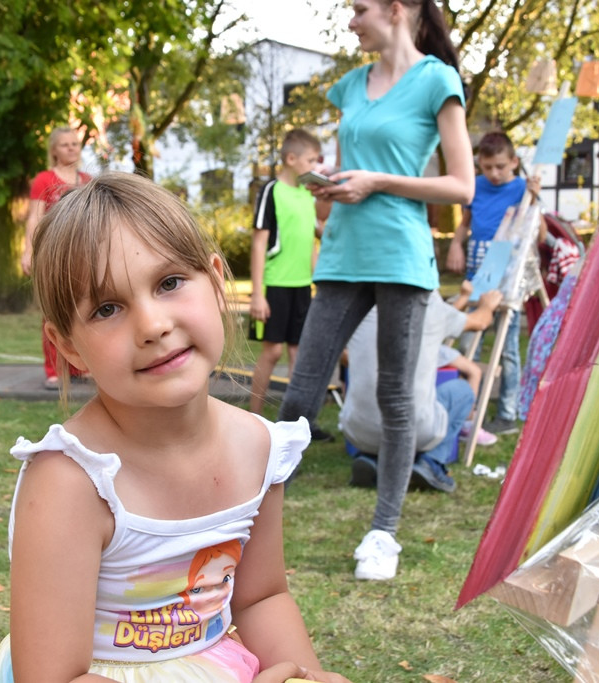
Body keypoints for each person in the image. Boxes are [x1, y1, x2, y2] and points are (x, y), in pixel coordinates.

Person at [7, 172, 349, 682]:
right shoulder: (72, 482)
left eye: (169, 283)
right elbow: (53, 678)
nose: (152, 326)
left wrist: (304, 674)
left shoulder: (259, 449)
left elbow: (262, 597)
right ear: (70, 347)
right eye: (107, 308)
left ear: (214, 281)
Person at [278, 0, 474, 582]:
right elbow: (349, 169)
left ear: (395, 9)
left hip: (402, 259)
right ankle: (249, 519)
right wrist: (335, 186)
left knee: (396, 398)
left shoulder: (437, 81)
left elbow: (460, 184)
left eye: (359, 8)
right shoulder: (350, 86)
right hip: (343, 254)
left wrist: (378, 182)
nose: (351, 19)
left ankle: (383, 533)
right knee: (300, 396)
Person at [340, 283, 503, 495]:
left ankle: (372, 458)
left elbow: (343, 356)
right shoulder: (428, 307)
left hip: (357, 430)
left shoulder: (355, 309)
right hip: (411, 431)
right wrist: (487, 305)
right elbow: (481, 321)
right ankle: (431, 462)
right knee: (461, 391)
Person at [445, 131, 541, 436]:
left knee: (507, 347)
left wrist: (535, 198)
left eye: (500, 166)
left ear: (513, 161)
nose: (494, 173)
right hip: (477, 276)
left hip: (505, 278)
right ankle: (465, 410)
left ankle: (507, 413)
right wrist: (456, 245)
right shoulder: (476, 187)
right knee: (466, 342)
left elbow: (536, 234)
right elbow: (465, 225)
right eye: (487, 167)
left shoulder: (523, 190)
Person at [248, 129, 322, 415]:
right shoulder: (270, 191)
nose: (314, 168)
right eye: (311, 161)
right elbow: (258, 243)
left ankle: (297, 421)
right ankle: (254, 416)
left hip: (303, 286)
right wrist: (257, 294)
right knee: (273, 351)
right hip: (275, 285)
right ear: (291, 158)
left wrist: (318, 284)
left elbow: (310, 242)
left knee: (297, 354)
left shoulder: (307, 194)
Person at [21, 126, 93, 390]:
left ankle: (80, 365)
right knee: (52, 312)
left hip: (82, 255)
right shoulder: (44, 179)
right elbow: (35, 218)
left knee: (82, 310)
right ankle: (54, 369)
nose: (71, 148)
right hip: (53, 253)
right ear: (54, 150)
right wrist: (28, 251)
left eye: (75, 144)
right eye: (65, 144)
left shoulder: (87, 180)